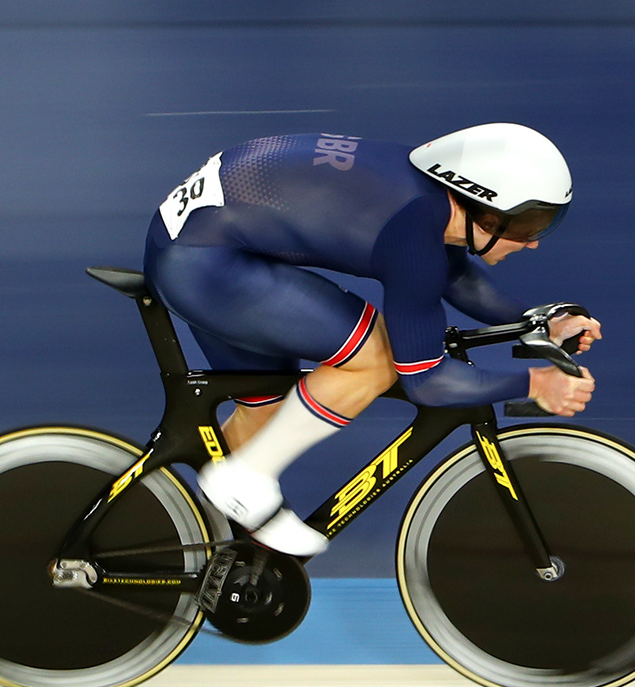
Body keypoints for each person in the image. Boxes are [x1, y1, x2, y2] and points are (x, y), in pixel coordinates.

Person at [142, 123, 602, 556]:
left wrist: (541, 320)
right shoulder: (413, 234)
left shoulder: (427, 197)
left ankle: (186, 535)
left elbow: (455, 274)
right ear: (480, 205)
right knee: (377, 358)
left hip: (195, 244)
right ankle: (242, 481)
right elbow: (426, 382)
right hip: (204, 263)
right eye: (527, 226)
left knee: (264, 410)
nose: (534, 242)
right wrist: (533, 384)